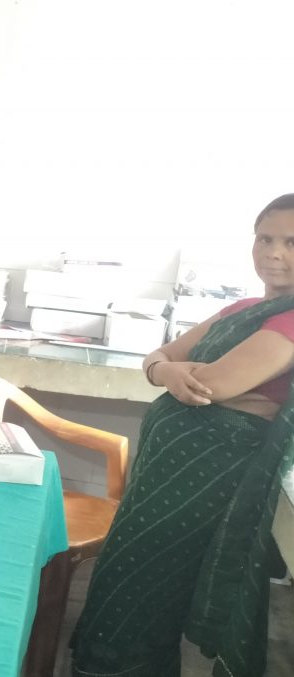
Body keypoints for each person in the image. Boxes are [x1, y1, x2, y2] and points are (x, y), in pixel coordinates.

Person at [71, 194, 294, 677]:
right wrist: (167, 371)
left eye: (291, 243)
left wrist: (171, 371)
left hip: (206, 481)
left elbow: (213, 385)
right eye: (265, 239)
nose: (274, 253)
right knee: (121, 572)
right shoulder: (243, 307)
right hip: (161, 475)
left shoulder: (291, 321)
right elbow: (158, 357)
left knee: (150, 583)